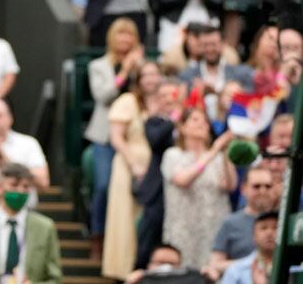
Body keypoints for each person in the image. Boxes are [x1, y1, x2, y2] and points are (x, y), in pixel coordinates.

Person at [84, 18, 143, 255]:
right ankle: (97, 234)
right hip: (105, 138)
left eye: (130, 34)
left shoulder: (141, 64)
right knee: (103, 186)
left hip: (136, 137)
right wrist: (125, 71)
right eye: (121, 34)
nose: (125, 39)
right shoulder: (98, 66)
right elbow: (103, 96)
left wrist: (137, 68)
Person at [102, 59, 162, 280]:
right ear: (138, 79)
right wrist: (135, 165)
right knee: (126, 220)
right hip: (129, 165)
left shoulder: (165, 100)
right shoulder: (127, 101)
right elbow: (116, 138)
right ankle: (123, 271)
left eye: (155, 74)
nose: (151, 79)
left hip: (156, 166)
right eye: (145, 75)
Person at [161, 108, 236, 269]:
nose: (202, 123)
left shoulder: (218, 157)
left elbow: (230, 185)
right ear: (182, 127)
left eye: (205, 120)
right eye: (195, 119)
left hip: (212, 227)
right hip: (182, 228)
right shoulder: (173, 155)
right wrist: (214, 150)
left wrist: (225, 154)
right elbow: (184, 180)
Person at [0, 162, 62, 284]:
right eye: (14, 185)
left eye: (25, 186)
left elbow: (55, 278)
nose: (20, 191)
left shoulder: (45, 227)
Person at [206, 165, 279, 279]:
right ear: (244, 189)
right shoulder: (231, 223)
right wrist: (250, 265)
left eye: (268, 186)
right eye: (256, 186)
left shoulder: (285, 220)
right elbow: (215, 263)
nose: (263, 191)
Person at [219, 212, 277, 284]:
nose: (269, 233)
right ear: (254, 235)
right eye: (263, 228)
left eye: (275, 228)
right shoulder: (235, 270)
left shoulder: (292, 268)